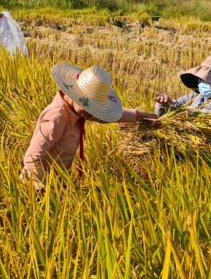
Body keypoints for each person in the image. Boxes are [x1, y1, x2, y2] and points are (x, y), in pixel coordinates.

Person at [21, 64, 157, 189]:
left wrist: (147, 116)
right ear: (77, 95)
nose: (92, 113)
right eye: (90, 107)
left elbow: (113, 116)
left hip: (59, 184)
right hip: (37, 189)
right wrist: (48, 193)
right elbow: (32, 158)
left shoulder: (79, 110)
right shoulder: (56, 118)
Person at [154, 54, 211, 118]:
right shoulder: (194, 97)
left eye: (208, 80)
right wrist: (164, 103)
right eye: (201, 79)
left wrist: (187, 116)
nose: (202, 83)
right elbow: (173, 107)